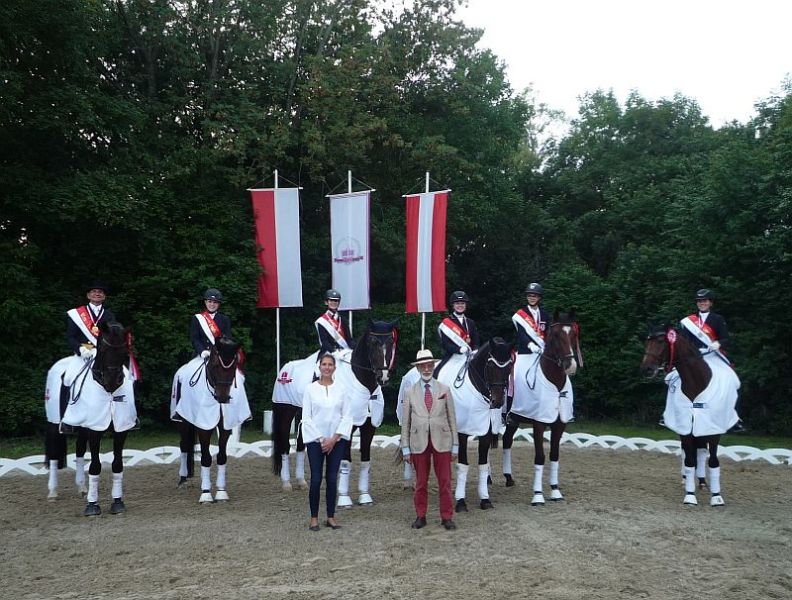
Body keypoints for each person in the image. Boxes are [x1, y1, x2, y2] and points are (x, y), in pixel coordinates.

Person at [401, 349, 458, 531]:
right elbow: (406, 423)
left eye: (429, 365)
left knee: (445, 482)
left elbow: (452, 418)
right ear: (418, 368)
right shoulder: (410, 392)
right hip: (419, 442)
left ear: (433, 366)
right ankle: (421, 515)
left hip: (442, 440)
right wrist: (405, 448)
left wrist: (455, 445)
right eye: (423, 366)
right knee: (420, 483)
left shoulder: (444, 389)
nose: (426, 369)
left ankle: (447, 517)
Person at [502, 282, 551, 485]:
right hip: (525, 354)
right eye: (530, 295)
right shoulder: (520, 315)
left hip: (542, 354)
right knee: (515, 377)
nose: (532, 297)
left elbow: (549, 334)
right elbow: (522, 335)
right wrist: (532, 345)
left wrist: (545, 347)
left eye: (535, 295)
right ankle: (510, 410)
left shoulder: (545, 315)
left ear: (539, 297)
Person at [300, 353, 353, 531]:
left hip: (336, 440)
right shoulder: (310, 389)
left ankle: (331, 516)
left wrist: (334, 439)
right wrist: (322, 439)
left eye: (330, 364)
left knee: (331, 478)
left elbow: (347, 416)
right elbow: (306, 418)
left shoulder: (342, 389)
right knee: (316, 479)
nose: (327, 367)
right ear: (320, 366)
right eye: (324, 364)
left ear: (334, 368)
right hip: (316, 440)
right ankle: (314, 518)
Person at [680, 288, 745, 433]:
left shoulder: (718, 319)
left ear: (710, 303)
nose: (701, 303)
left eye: (704, 301)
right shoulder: (689, 321)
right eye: (699, 301)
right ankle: (668, 414)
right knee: (672, 378)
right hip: (694, 357)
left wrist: (718, 343)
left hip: (713, 354)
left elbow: (726, 339)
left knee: (732, 380)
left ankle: (734, 419)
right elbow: (684, 341)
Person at [435, 290, 481, 374]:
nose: (460, 305)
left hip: (469, 356)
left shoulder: (470, 322)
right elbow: (445, 344)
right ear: (453, 305)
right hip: (452, 356)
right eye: (457, 303)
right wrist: (458, 349)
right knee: (438, 373)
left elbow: (476, 339)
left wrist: (475, 349)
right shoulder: (447, 323)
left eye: (462, 303)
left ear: (465, 305)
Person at [66, 282, 116, 357]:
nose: (97, 294)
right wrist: (79, 348)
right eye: (94, 291)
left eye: (100, 292)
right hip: (83, 354)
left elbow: (113, 336)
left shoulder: (110, 316)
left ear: (104, 296)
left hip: (103, 355)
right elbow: (71, 336)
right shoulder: (77, 314)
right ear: (88, 296)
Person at [190, 288, 231, 358]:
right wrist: (202, 351)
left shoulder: (225, 319)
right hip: (201, 354)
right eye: (209, 301)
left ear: (219, 304)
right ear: (205, 302)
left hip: (219, 355)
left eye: (215, 302)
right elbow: (195, 339)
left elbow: (227, 338)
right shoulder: (197, 318)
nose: (212, 304)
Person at [315, 289, 355, 355]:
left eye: (336, 300)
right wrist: (334, 351)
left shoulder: (343, 320)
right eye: (331, 300)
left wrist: (356, 348)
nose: (333, 302)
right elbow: (324, 342)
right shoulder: (322, 321)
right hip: (328, 352)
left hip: (344, 351)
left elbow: (349, 340)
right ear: (326, 302)